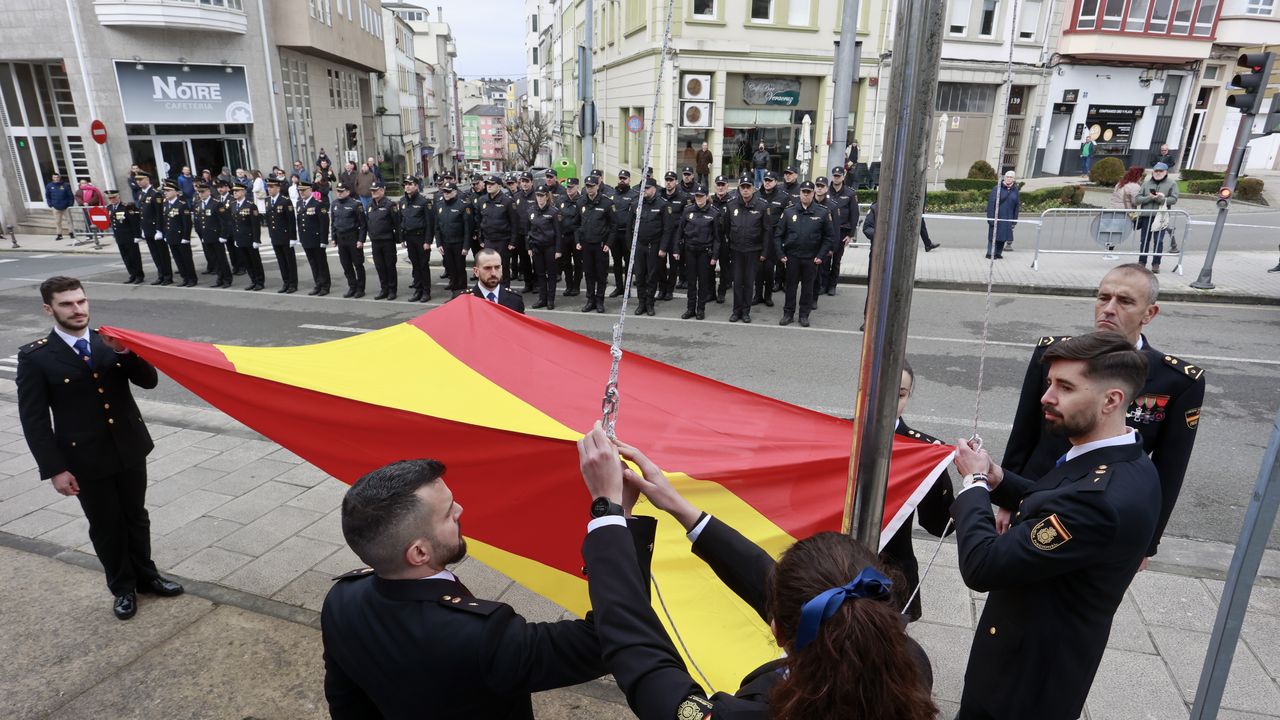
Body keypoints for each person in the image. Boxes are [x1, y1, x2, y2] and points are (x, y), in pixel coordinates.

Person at [575, 423, 937, 720]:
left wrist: (609, 517)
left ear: (776, 629)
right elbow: (806, 599)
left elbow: (646, 667)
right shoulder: (908, 661)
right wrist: (683, 510)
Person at [321, 458, 643, 717]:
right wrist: (616, 519)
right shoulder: (481, 638)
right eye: (448, 514)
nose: (460, 510)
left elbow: (346, 700)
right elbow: (606, 639)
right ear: (419, 552)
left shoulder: (341, 600)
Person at [950, 332, 1160, 720]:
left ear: (1111, 399)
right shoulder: (1125, 458)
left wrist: (974, 484)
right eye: (1049, 383)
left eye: (1064, 387)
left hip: (1023, 683)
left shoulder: (1100, 500)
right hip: (1038, 654)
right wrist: (999, 479)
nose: (1046, 397)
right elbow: (1055, 502)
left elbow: (983, 565)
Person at [1002, 263, 1204, 563]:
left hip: (1102, 511)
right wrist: (1005, 498)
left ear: (1149, 313)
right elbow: (1024, 430)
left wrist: (1147, 541)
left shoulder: (1175, 380)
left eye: (1124, 301)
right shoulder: (1056, 354)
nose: (1108, 309)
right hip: (1033, 495)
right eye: (1102, 297)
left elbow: (1169, 470)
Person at [16, 276, 185, 621]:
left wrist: (124, 351)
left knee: (136, 516)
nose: (77, 309)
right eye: (66, 304)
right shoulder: (37, 357)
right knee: (106, 524)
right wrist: (55, 469)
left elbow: (148, 381)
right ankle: (122, 587)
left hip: (129, 448)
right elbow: (34, 420)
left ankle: (147, 576)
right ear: (49, 309)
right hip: (83, 458)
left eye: (81, 301)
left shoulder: (109, 342)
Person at [880, 358, 955, 622]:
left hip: (891, 570)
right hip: (837, 561)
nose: (891, 401)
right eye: (881, 389)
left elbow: (940, 525)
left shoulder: (922, 449)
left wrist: (936, 473)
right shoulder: (836, 434)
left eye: (900, 394)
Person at [774, 181, 834, 328]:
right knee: (790, 287)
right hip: (792, 256)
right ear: (800, 193)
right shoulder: (789, 212)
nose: (806, 194)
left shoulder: (823, 212)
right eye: (803, 192)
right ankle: (788, 314)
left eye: (809, 192)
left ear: (813, 193)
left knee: (808, 288)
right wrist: (781, 254)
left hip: (811, 258)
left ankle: (804, 315)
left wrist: (820, 255)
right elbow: (778, 235)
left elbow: (829, 237)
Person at [670, 184, 721, 321]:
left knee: (703, 282)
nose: (698, 198)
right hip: (690, 251)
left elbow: (717, 238)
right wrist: (676, 249)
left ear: (706, 197)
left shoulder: (714, 213)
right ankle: (690, 309)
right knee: (691, 282)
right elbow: (679, 232)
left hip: (705, 252)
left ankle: (700, 309)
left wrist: (715, 256)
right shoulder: (688, 210)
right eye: (697, 196)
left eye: (701, 196)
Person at [723, 175, 769, 324]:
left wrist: (764, 252)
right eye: (743, 187)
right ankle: (736, 311)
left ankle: (746, 312)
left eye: (748, 187)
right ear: (739, 188)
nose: (745, 190)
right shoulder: (731, 205)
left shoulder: (762, 205)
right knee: (737, 281)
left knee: (749, 282)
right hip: (736, 250)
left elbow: (767, 231)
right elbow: (726, 228)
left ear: (753, 188)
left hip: (753, 250)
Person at [630, 177, 672, 317]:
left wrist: (663, 248)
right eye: (643, 188)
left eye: (647, 188)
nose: (644, 191)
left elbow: (667, 229)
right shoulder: (636, 204)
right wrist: (631, 246)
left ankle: (649, 304)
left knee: (652, 276)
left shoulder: (662, 205)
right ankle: (641, 303)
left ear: (654, 189)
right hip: (640, 245)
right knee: (640, 275)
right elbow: (630, 227)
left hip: (654, 245)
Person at [576, 175, 616, 313]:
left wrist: (609, 243)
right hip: (586, 245)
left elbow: (613, 226)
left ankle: (600, 301)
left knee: (601, 274)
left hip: (600, 245)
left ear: (598, 186)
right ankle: (590, 300)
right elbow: (577, 224)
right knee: (588, 273)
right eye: (587, 186)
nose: (590, 189)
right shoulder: (581, 202)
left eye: (592, 186)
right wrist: (578, 241)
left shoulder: (606, 203)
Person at [477, 175, 519, 287]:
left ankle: (504, 294)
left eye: (492, 184)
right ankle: (492, 293)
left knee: (502, 269)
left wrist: (512, 242)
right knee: (489, 269)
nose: (489, 186)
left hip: (503, 241)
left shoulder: (507, 201)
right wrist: (480, 238)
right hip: (488, 240)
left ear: (499, 186)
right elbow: (479, 221)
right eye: (487, 184)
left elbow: (514, 223)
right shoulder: (482, 200)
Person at [753, 171, 787, 308]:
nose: (767, 182)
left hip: (774, 238)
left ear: (776, 181)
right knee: (758, 269)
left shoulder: (783, 197)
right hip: (758, 237)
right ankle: (757, 295)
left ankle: (768, 296)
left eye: (770, 180)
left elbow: (787, 218)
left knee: (768, 269)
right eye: (765, 180)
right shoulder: (756, 195)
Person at [1136, 162, 1177, 274]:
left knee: (1158, 241)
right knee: (1144, 240)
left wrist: (1160, 199)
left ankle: (1156, 263)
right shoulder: (1146, 183)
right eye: (1156, 171)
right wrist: (1149, 198)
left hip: (1161, 217)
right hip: (1146, 216)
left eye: (1161, 171)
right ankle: (1142, 261)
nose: (1158, 173)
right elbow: (1137, 199)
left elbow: (1174, 199)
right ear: (1153, 172)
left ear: (1166, 172)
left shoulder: (1171, 183)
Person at [433, 181, 473, 298]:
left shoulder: (463, 205)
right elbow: (437, 226)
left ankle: (462, 294)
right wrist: (439, 243)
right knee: (451, 270)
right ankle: (455, 294)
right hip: (446, 243)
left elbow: (467, 228)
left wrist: (466, 246)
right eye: (444, 191)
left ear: (455, 192)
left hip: (459, 243)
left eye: (449, 192)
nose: (446, 194)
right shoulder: (439, 205)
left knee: (460, 269)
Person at [192, 182, 233, 289]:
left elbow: (225, 221)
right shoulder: (198, 204)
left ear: (209, 192)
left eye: (203, 192)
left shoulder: (216, 203)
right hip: (206, 236)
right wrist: (200, 233)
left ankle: (227, 279)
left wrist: (223, 235)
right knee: (214, 259)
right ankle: (220, 278)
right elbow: (198, 221)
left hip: (216, 235)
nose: (201, 194)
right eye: (199, 192)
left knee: (221, 258)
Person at [526, 185, 562, 309]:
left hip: (550, 247)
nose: (539, 198)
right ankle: (542, 299)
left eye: (542, 195)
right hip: (536, 247)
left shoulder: (553, 211)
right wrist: (529, 248)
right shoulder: (531, 211)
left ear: (547, 196)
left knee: (551, 275)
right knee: (540, 274)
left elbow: (558, 233)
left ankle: (550, 300)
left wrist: (558, 250)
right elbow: (528, 231)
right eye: (538, 195)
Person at [400, 176, 434, 303]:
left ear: (416, 186)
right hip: (410, 237)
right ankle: (418, 290)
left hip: (421, 238)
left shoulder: (424, 202)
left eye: (410, 184)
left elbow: (430, 223)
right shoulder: (403, 201)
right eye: (406, 184)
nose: (407, 186)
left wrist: (428, 241)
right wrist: (402, 238)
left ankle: (426, 291)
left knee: (423, 265)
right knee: (415, 266)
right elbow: (402, 220)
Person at [135, 173, 173, 286]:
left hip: (156, 229)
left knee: (162, 254)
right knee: (155, 254)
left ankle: (167, 276)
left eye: (141, 179)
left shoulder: (155, 194)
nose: (138, 182)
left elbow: (159, 214)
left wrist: (159, 230)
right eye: (137, 180)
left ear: (147, 179)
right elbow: (142, 213)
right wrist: (142, 228)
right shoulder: (141, 194)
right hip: (147, 229)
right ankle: (160, 275)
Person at [331, 183, 368, 298]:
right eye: (338, 191)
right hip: (341, 238)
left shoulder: (356, 204)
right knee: (346, 265)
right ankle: (352, 286)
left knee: (358, 264)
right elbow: (333, 222)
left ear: (348, 192)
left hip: (353, 237)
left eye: (342, 191)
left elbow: (363, 224)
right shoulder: (335, 204)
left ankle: (360, 289)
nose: (339, 193)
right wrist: (333, 238)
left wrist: (361, 240)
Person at [295, 180, 332, 296]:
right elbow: (300, 222)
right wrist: (300, 238)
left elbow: (324, 223)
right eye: (300, 190)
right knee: (313, 263)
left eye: (304, 190)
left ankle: (325, 286)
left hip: (317, 239)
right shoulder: (299, 203)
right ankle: (318, 284)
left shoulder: (318, 204)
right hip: (306, 239)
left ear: (310, 190)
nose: (301, 192)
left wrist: (324, 240)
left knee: (321, 264)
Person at [365, 181, 401, 300]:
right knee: (379, 266)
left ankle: (392, 290)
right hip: (375, 241)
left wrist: (398, 240)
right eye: (372, 190)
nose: (373, 193)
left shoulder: (390, 205)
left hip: (387, 240)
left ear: (382, 190)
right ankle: (384, 289)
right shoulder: (370, 205)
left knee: (389, 266)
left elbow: (397, 224)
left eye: (375, 190)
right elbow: (368, 222)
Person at [263, 177, 299, 294]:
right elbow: (269, 220)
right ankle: (286, 282)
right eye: (268, 187)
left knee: (289, 261)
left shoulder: (285, 200)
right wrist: (270, 235)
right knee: (281, 261)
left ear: (278, 188)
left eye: (272, 187)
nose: (269, 189)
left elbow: (291, 221)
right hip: (275, 236)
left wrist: (293, 237)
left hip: (285, 236)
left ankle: (293, 283)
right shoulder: (267, 200)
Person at [1099, 166, 1144, 257]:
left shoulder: (1120, 183)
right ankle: (1109, 253)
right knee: (1118, 233)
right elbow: (1135, 201)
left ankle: (1107, 251)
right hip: (1125, 212)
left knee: (1112, 231)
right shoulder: (1134, 186)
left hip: (1114, 209)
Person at [658, 171, 689, 300]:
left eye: (671, 180)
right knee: (660, 264)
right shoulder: (660, 196)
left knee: (674, 265)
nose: (669, 183)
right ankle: (662, 289)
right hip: (662, 235)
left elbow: (685, 218)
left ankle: (670, 289)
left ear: (676, 182)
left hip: (676, 235)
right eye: (667, 180)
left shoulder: (682, 197)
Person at [160, 180, 197, 287]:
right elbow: (165, 221)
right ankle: (184, 278)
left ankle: (192, 279)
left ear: (175, 192)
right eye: (165, 191)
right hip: (171, 237)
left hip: (181, 237)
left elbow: (187, 223)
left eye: (168, 190)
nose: (165, 193)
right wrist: (165, 235)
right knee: (178, 259)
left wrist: (186, 237)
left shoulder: (182, 205)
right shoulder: (165, 204)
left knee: (186, 259)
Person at [104, 189, 145, 284]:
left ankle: (139, 275)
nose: (112, 200)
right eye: (110, 198)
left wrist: (137, 236)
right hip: (119, 236)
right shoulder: (110, 208)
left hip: (129, 236)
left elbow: (134, 222)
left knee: (134, 256)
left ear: (118, 197)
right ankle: (132, 274)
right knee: (126, 257)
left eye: (114, 197)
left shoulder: (127, 207)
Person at [229, 183, 266, 291]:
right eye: (234, 191)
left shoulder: (250, 205)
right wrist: (235, 238)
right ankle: (253, 280)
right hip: (240, 238)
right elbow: (234, 223)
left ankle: (260, 281)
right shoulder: (233, 204)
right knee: (247, 262)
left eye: (237, 191)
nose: (235, 193)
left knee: (255, 261)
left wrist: (256, 240)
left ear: (244, 192)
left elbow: (255, 224)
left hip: (250, 238)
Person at [610, 170, 639, 298]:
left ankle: (627, 288)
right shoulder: (612, 194)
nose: (622, 180)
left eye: (625, 178)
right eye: (620, 178)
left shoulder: (634, 195)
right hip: (615, 234)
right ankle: (619, 287)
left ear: (629, 180)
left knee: (628, 262)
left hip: (627, 234)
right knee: (616, 262)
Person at [470, 248, 525, 313]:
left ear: (501, 269)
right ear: (476, 271)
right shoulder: (465, 300)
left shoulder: (515, 299)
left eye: (497, 267)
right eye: (487, 268)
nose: (493, 273)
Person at [985, 171, 1020, 259]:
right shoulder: (997, 188)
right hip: (997, 217)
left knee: (1004, 236)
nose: (1009, 178)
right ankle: (990, 253)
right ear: (1004, 178)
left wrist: (1014, 220)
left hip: (1008, 217)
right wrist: (991, 219)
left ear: (1014, 179)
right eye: (1007, 176)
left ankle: (998, 253)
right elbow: (991, 204)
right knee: (993, 236)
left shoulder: (1015, 190)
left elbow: (1017, 206)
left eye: (1011, 177)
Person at [558, 178, 584, 298]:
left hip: (577, 236)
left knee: (578, 262)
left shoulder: (582, 200)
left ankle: (576, 286)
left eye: (572, 187)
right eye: (568, 187)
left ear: (577, 187)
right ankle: (569, 285)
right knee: (566, 262)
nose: (569, 189)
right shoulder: (561, 200)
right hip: (565, 236)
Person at [45, 172, 76, 241]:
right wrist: (50, 204)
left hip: (66, 207)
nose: (56, 179)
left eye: (57, 177)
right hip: (55, 207)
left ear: (59, 178)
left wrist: (70, 204)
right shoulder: (49, 186)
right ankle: (59, 235)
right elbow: (47, 196)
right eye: (54, 177)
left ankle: (71, 233)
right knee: (57, 222)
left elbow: (70, 196)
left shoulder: (65, 185)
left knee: (69, 220)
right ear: (52, 178)